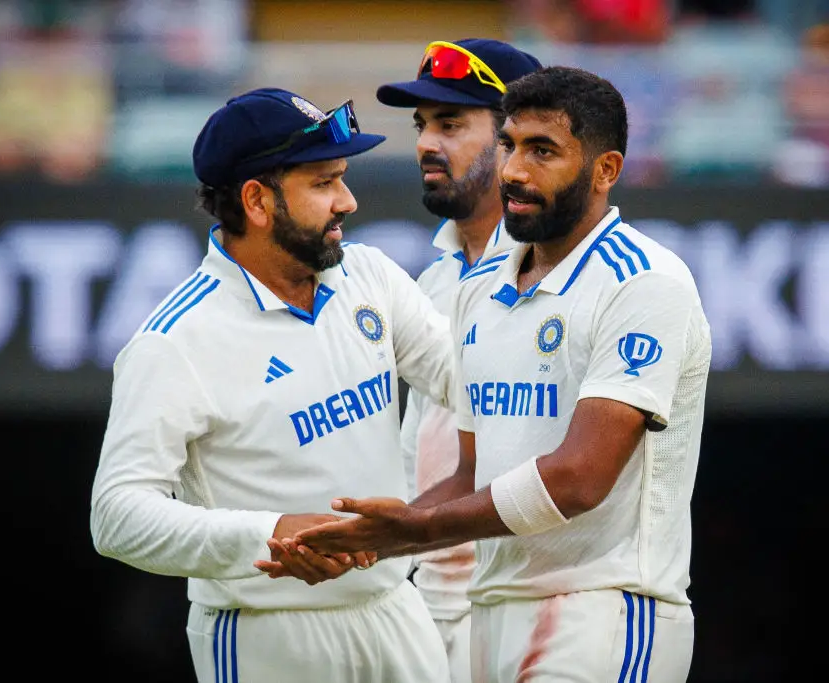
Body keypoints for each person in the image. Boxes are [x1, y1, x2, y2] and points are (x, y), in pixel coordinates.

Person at [298, 66, 712, 683]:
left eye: (543, 151)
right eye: (510, 147)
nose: (514, 171)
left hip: (605, 611)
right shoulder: (480, 289)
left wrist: (413, 527)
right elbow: (470, 470)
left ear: (606, 170)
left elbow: (579, 479)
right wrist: (364, 538)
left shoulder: (645, 280)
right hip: (490, 615)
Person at [89, 87, 454, 683]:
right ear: (257, 200)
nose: (348, 201)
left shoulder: (370, 275)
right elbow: (117, 516)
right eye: (323, 183)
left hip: (396, 611)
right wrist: (272, 532)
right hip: (269, 631)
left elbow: (464, 382)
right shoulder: (176, 341)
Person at [375, 37, 541, 683]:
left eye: (451, 123)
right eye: (422, 126)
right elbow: (421, 448)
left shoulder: (553, 268)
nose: (424, 143)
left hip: (533, 599)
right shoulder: (436, 278)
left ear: (517, 141)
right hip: (435, 602)